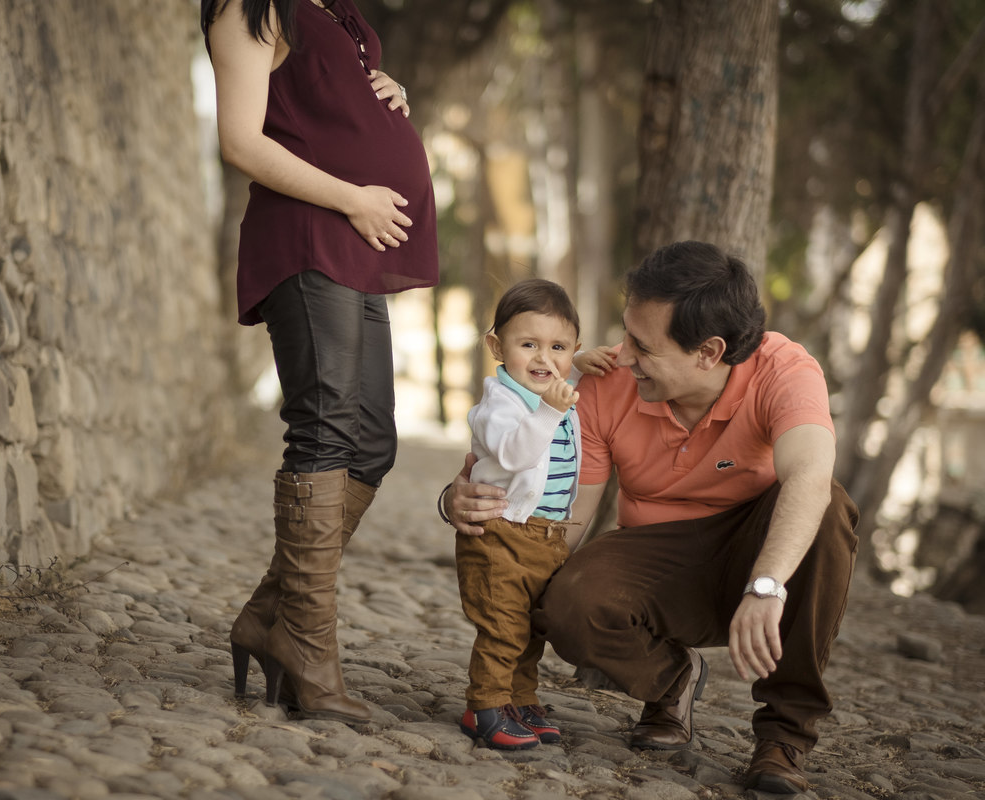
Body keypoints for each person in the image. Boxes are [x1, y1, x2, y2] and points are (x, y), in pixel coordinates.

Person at [442, 241, 859, 793]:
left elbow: (809, 475)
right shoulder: (607, 383)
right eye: (626, 332)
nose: (624, 354)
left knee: (828, 509)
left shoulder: (783, 368)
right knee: (565, 601)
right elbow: (569, 515)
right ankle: (672, 683)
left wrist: (766, 585)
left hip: (755, 544)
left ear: (709, 352)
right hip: (655, 549)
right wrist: (468, 508)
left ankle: (785, 735)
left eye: (643, 345)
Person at [201, 0, 438, 725]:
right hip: (311, 234)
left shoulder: (336, 13)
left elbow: (320, 102)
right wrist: (353, 198)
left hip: (352, 245)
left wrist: (383, 88)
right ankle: (305, 643)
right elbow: (241, 140)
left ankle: (270, 617)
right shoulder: (252, 9)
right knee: (327, 430)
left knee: (370, 444)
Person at [456, 279, 585, 750]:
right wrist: (549, 413)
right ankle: (484, 707)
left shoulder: (553, 389)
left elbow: (564, 374)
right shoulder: (499, 405)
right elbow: (513, 454)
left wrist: (578, 368)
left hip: (545, 536)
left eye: (557, 347)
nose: (543, 359)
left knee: (531, 627)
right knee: (502, 625)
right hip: (501, 532)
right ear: (497, 345)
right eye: (527, 344)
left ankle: (521, 700)